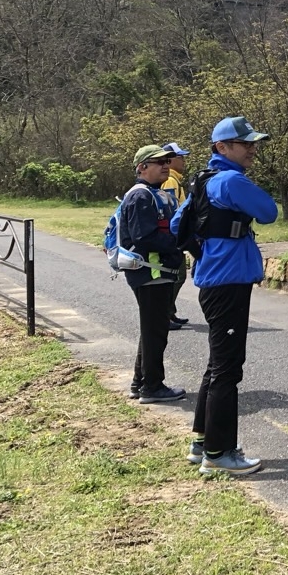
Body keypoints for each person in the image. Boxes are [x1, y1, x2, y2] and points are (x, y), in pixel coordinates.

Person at [172, 115, 279, 476]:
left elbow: (177, 226)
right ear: (222, 147)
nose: (252, 149)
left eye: (253, 143)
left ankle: (202, 442)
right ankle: (219, 454)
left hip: (212, 277)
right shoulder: (231, 180)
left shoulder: (202, 180)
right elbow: (268, 212)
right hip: (230, 281)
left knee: (217, 365)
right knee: (228, 370)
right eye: (245, 143)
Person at [121, 145, 187, 404]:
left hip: (156, 271)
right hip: (150, 272)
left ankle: (141, 383)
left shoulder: (153, 193)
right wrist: (178, 243)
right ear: (141, 168)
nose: (165, 166)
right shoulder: (141, 197)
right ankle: (152, 387)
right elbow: (143, 237)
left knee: (152, 329)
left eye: (166, 161)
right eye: (157, 162)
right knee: (155, 331)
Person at [160, 141, 192, 330]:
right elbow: (171, 208)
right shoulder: (171, 180)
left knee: (176, 275)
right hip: (173, 235)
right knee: (177, 275)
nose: (183, 161)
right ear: (170, 160)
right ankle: (165, 314)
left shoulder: (174, 178)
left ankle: (170, 312)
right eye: (180, 157)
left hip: (173, 234)